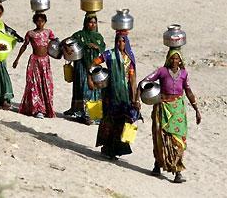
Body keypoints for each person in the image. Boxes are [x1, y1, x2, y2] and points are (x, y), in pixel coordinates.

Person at [138, 47, 202, 183]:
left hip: (178, 110)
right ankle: (157, 164)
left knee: (177, 141)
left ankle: (178, 171)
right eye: (172, 58)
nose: (174, 60)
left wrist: (196, 109)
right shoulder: (161, 71)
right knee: (160, 137)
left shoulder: (184, 73)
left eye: (177, 58)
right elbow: (143, 82)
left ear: (180, 60)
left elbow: (188, 91)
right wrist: (141, 98)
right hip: (162, 108)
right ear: (168, 59)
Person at [91, 31, 140, 159]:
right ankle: (108, 148)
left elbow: (133, 79)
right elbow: (94, 63)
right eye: (118, 40)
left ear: (126, 42)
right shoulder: (109, 54)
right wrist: (98, 75)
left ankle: (117, 149)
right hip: (111, 94)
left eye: (123, 41)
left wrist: (135, 98)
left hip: (125, 95)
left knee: (122, 121)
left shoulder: (129, 58)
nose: (120, 43)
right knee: (110, 120)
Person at [63, 12, 106, 125]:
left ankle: (92, 115)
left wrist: (96, 47)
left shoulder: (98, 37)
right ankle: (81, 113)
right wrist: (68, 49)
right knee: (82, 89)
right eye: (90, 22)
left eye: (94, 23)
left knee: (94, 91)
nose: (92, 25)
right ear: (85, 23)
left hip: (94, 68)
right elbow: (65, 42)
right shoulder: (79, 35)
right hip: (81, 67)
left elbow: (102, 49)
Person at [13, 13, 56, 119]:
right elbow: (24, 46)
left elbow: (55, 44)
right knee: (34, 84)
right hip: (34, 61)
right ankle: (37, 109)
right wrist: (17, 59)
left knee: (45, 84)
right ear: (35, 22)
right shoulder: (30, 33)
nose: (40, 23)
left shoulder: (48, 32)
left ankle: (46, 108)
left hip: (45, 62)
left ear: (45, 22)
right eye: (38, 21)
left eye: (42, 21)